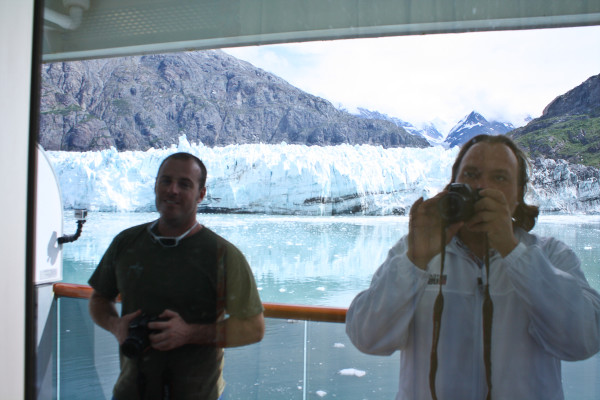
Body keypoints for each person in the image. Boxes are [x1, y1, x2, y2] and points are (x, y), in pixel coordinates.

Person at [346, 134, 600, 400]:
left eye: (499, 178)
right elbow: (367, 337)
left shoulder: (552, 255)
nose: (481, 187)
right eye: (471, 174)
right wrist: (414, 262)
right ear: (453, 185)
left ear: (518, 193)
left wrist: (514, 253)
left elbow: (583, 341)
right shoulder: (415, 251)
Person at [88, 152, 265, 400]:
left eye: (184, 184)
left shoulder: (223, 255)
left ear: (201, 194)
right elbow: (99, 299)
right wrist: (115, 325)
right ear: (155, 185)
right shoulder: (126, 243)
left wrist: (189, 333)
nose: (172, 190)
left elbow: (253, 328)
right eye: (166, 181)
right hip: (130, 392)